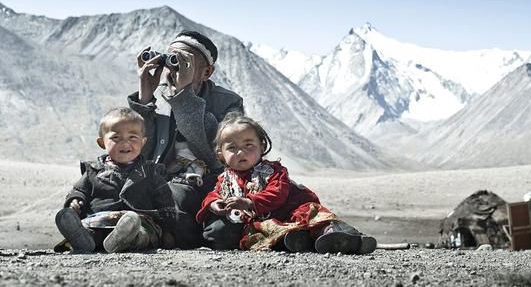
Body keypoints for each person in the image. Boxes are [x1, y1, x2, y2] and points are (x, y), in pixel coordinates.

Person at [196, 112, 377, 254]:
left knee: (310, 216)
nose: (240, 152)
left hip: (290, 210)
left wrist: (249, 202)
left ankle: (339, 235)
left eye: (248, 145)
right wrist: (213, 204)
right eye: (232, 148)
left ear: (261, 145)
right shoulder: (226, 179)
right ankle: (296, 241)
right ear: (220, 154)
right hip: (266, 221)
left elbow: (277, 193)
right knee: (263, 233)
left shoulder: (274, 171)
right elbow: (215, 193)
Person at [128, 30, 243, 248]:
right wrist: (144, 98)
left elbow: (218, 154)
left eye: (185, 61)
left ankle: (165, 233)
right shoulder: (159, 96)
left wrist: (184, 96)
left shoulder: (228, 102)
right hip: (167, 182)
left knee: (221, 233)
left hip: (211, 182)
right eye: (172, 59)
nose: (175, 67)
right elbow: (141, 151)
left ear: (207, 71)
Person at [54, 107, 176, 253]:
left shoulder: (150, 172)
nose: (125, 143)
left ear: (143, 142)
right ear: (102, 143)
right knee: (90, 229)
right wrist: (75, 201)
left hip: (138, 220)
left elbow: (165, 201)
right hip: (100, 220)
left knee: (141, 232)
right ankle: (85, 240)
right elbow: (79, 191)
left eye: (133, 137)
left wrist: (169, 230)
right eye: (116, 138)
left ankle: (129, 240)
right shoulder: (94, 170)